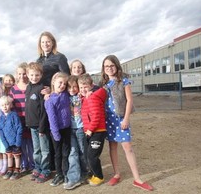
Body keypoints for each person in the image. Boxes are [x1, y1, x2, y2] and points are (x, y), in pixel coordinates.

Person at [100, 55, 153, 191]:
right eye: (106, 66)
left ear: (116, 66)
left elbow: (129, 100)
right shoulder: (103, 84)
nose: (109, 68)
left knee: (128, 147)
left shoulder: (123, 81)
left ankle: (137, 179)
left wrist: (126, 119)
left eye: (112, 65)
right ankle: (117, 174)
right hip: (109, 119)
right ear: (103, 69)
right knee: (112, 146)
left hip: (121, 119)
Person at [36, 31, 71, 171]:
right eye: (43, 42)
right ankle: (50, 165)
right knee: (47, 129)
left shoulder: (60, 57)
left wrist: (53, 91)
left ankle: (63, 166)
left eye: (48, 41)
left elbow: (65, 77)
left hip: (55, 98)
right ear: (40, 44)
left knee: (58, 129)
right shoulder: (38, 61)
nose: (46, 44)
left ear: (53, 42)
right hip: (43, 99)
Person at [78, 73, 107, 186]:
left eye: (85, 87)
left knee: (92, 156)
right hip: (90, 131)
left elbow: (96, 116)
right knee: (87, 154)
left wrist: (90, 130)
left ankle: (99, 177)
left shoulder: (93, 98)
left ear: (91, 86)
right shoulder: (86, 98)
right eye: (81, 87)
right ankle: (94, 174)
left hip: (97, 131)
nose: (83, 89)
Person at [25, 62, 52, 183]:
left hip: (42, 127)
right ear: (27, 75)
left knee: (44, 150)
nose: (34, 77)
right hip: (32, 126)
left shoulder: (42, 89)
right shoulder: (28, 87)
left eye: (37, 75)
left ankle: (46, 170)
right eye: (31, 75)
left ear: (41, 75)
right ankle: (38, 168)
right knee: (36, 149)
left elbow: (44, 110)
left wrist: (42, 127)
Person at [44, 72, 71, 187]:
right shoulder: (50, 100)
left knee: (66, 153)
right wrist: (55, 133)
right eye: (60, 82)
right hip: (56, 131)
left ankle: (66, 173)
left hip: (67, 129)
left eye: (64, 83)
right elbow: (52, 118)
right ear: (53, 82)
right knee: (58, 154)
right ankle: (58, 174)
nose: (62, 85)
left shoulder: (66, 94)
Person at [64, 75, 88, 190]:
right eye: (69, 87)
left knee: (83, 152)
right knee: (73, 152)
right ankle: (74, 178)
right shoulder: (65, 97)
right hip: (70, 129)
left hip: (81, 129)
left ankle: (85, 173)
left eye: (75, 87)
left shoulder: (81, 97)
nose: (72, 89)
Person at [9, 62, 34, 174]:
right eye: (19, 74)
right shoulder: (13, 90)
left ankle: (33, 164)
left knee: (32, 144)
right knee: (22, 144)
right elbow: (10, 106)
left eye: (24, 74)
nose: (22, 76)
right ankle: (24, 165)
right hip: (19, 121)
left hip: (31, 120)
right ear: (16, 75)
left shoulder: (31, 86)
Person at [0, 95, 23, 180]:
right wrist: (5, 143)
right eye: (2, 105)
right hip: (7, 143)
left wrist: (18, 142)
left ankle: (17, 170)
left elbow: (19, 128)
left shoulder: (14, 115)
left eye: (7, 104)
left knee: (16, 156)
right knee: (9, 156)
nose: (5, 106)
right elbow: (0, 131)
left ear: (11, 105)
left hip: (15, 142)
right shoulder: (0, 118)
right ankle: (10, 170)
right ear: (0, 107)